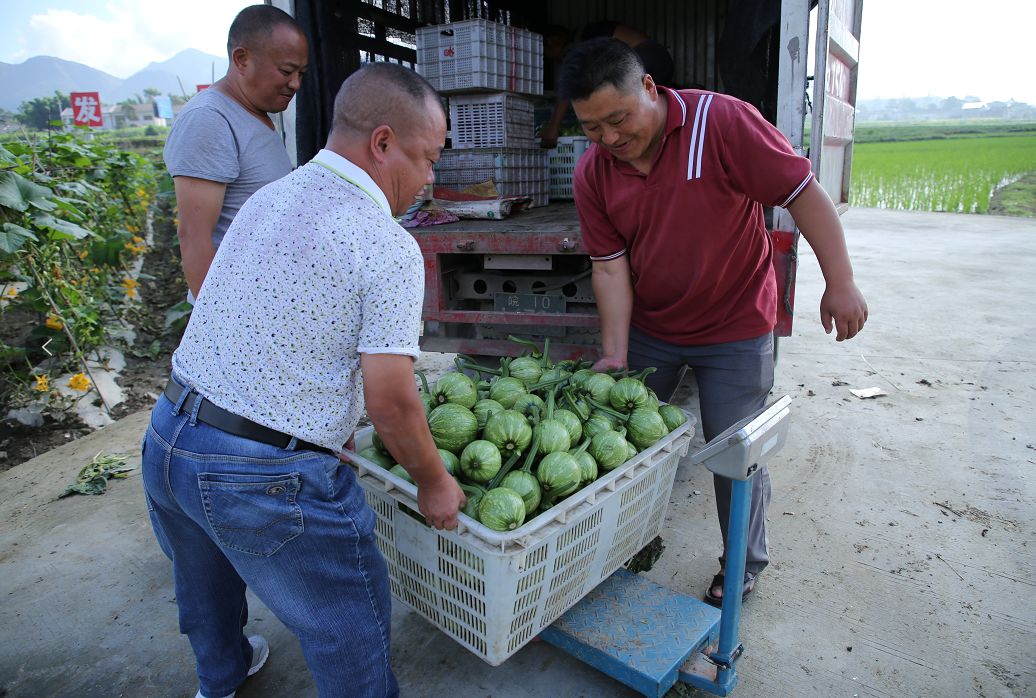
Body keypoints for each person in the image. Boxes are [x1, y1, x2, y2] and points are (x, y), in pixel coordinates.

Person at [141, 63, 465, 698]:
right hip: (261, 477)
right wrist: (434, 483)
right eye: (427, 160)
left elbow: (273, 321)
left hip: (168, 436)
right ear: (382, 142)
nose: (428, 181)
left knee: (204, 589)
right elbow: (393, 403)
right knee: (350, 621)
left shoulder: (269, 196)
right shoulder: (386, 242)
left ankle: (220, 683)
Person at [560, 39, 868, 607]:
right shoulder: (593, 172)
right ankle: (609, 550)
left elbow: (803, 194)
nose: (608, 138)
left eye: (618, 119)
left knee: (735, 455)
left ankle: (744, 565)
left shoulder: (721, 121)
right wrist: (614, 351)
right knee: (611, 444)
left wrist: (840, 281)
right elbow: (608, 269)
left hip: (735, 326)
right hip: (654, 326)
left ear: (649, 89)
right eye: (591, 128)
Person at [164, 5, 308, 300]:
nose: (295, 84)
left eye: (301, 73)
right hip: (238, 315)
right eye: (286, 71)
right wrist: (221, 324)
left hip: (267, 305)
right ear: (241, 59)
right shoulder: (210, 120)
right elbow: (194, 238)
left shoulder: (256, 115)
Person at [540, 21, 674, 148]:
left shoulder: (578, 46)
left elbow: (569, 90)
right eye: (592, 127)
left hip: (647, 58)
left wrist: (553, 127)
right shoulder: (587, 34)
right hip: (660, 58)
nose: (550, 58)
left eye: (617, 120)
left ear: (553, 41)